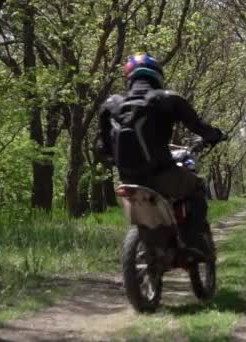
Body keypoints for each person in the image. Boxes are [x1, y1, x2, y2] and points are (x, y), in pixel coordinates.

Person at [96, 52, 224, 260]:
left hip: (128, 180)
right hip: (162, 176)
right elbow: (198, 127)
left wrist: (114, 158)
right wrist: (215, 135)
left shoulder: (111, 105)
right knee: (197, 186)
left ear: (130, 78)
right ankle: (195, 241)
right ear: (157, 75)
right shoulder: (168, 99)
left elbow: (102, 146)